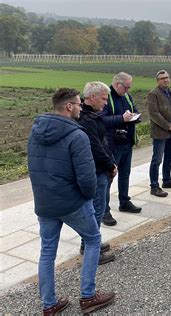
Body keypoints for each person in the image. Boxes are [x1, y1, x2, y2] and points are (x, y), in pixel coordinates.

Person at [28, 88, 115, 315]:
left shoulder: (35, 132)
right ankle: (88, 296)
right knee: (93, 240)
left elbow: (33, 168)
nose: (80, 107)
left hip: (44, 203)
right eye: (78, 104)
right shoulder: (78, 136)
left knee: (47, 252)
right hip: (71, 202)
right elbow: (87, 179)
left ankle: (49, 305)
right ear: (69, 107)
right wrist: (86, 197)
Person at [78, 82, 117, 265]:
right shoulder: (86, 119)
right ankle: (91, 250)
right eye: (103, 98)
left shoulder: (91, 115)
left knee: (95, 209)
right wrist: (110, 165)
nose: (106, 102)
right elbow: (95, 147)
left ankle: (92, 243)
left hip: (100, 169)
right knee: (96, 210)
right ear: (92, 97)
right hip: (97, 170)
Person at [101, 72, 142, 226]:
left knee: (125, 174)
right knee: (108, 179)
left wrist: (135, 116)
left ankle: (124, 201)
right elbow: (101, 119)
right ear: (117, 84)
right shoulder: (106, 97)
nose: (128, 90)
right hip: (113, 145)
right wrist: (121, 118)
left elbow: (135, 110)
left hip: (127, 143)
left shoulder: (127, 97)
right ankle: (104, 211)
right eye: (126, 87)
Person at [147, 70, 171, 198]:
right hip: (160, 132)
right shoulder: (153, 94)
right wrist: (169, 126)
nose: (166, 80)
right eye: (162, 78)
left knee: (170, 157)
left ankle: (167, 180)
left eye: (167, 77)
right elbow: (154, 114)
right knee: (157, 160)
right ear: (158, 81)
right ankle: (154, 186)